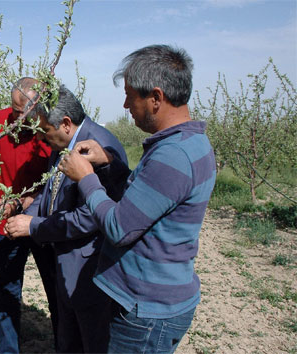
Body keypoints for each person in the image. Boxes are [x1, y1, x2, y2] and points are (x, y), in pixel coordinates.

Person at [58, 44, 217, 353]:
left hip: (146, 311)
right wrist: (109, 164)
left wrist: (86, 178)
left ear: (156, 98)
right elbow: (149, 200)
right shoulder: (189, 143)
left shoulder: (173, 155)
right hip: (156, 301)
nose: (126, 104)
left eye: (131, 95)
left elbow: (120, 228)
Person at [4, 84, 128, 353]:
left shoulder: (98, 147)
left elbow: (90, 216)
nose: (41, 137)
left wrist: (34, 226)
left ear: (66, 123)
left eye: (44, 131)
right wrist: (26, 215)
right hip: (65, 262)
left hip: (89, 269)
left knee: (91, 341)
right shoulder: (61, 143)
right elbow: (50, 193)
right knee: (68, 339)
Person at [0, 77, 59, 353]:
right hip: (4, 224)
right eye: (13, 109)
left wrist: (16, 204)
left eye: (20, 113)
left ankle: (65, 344)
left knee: (57, 290)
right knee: (6, 291)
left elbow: (51, 185)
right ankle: (7, 350)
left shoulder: (49, 132)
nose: (14, 118)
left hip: (41, 222)